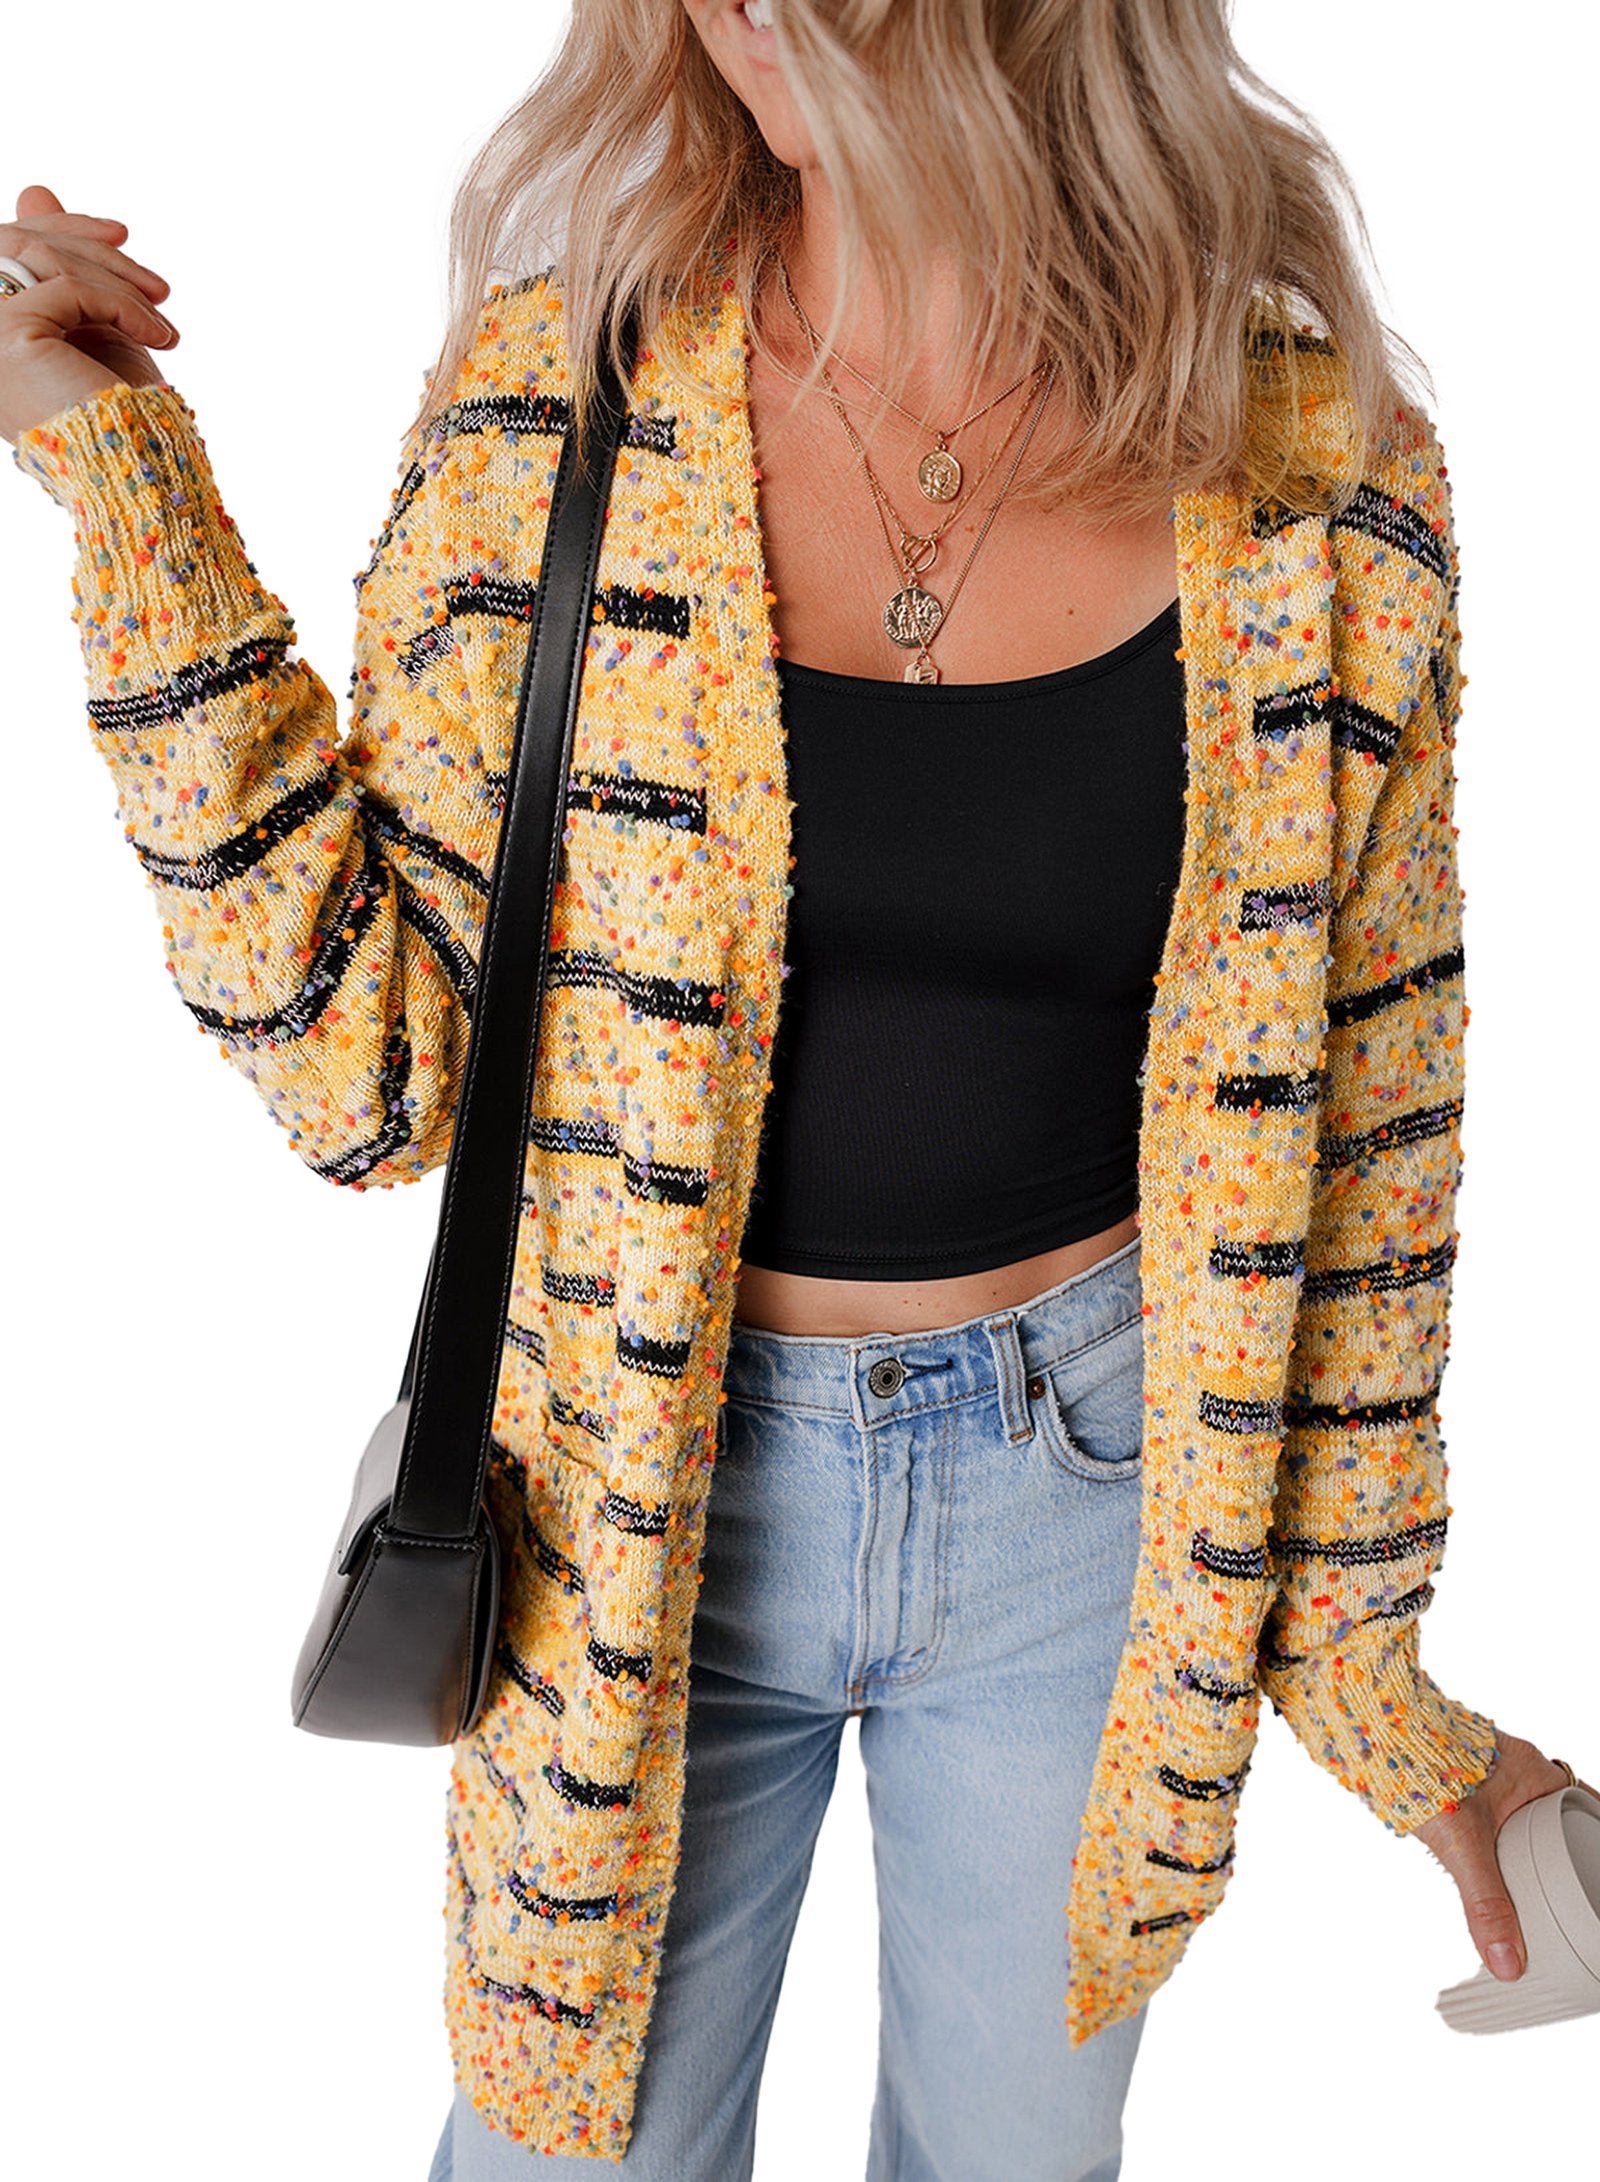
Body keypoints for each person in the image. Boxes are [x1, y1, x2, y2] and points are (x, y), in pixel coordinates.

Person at [2, 2, 1589, 2176]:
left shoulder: (1318, 482)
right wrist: (119, 482)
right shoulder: (559, 407)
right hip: (632, 1501)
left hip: (1094, 1499)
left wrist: (1392, 1703)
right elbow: (362, 1075)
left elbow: (1378, 1148)